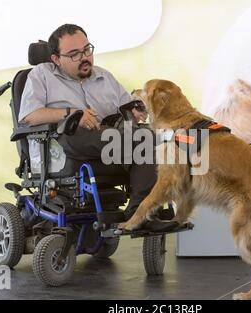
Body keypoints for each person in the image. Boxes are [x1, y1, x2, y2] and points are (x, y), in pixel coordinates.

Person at [18, 23, 156, 220]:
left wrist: (135, 109)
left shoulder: (104, 77)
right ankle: (140, 214)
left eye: (86, 50)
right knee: (138, 139)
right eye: (74, 54)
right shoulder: (41, 75)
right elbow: (29, 115)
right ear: (56, 59)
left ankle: (142, 212)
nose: (84, 57)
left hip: (109, 140)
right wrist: (73, 113)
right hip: (67, 141)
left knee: (153, 137)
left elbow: (127, 107)